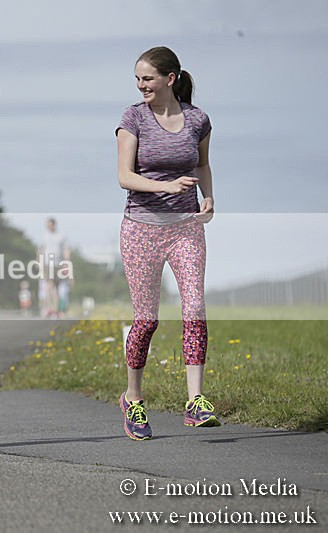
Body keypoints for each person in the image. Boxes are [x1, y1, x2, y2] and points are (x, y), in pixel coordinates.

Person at [115, 46, 218, 440]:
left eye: (148, 78)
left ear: (170, 79)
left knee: (194, 307)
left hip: (186, 227)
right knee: (147, 319)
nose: (141, 85)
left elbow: (202, 164)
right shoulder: (133, 118)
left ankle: (195, 401)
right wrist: (166, 186)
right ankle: (134, 399)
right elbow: (125, 176)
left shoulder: (197, 120)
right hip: (141, 228)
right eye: (137, 79)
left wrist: (208, 197)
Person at [37, 217, 71, 318]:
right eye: (47, 225)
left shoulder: (61, 235)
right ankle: (48, 308)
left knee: (59, 286)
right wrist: (39, 262)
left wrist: (67, 263)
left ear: (54, 224)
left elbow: (66, 250)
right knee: (49, 286)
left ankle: (57, 309)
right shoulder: (44, 236)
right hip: (48, 263)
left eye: (50, 225)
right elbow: (40, 250)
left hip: (59, 263)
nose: (49, 227)